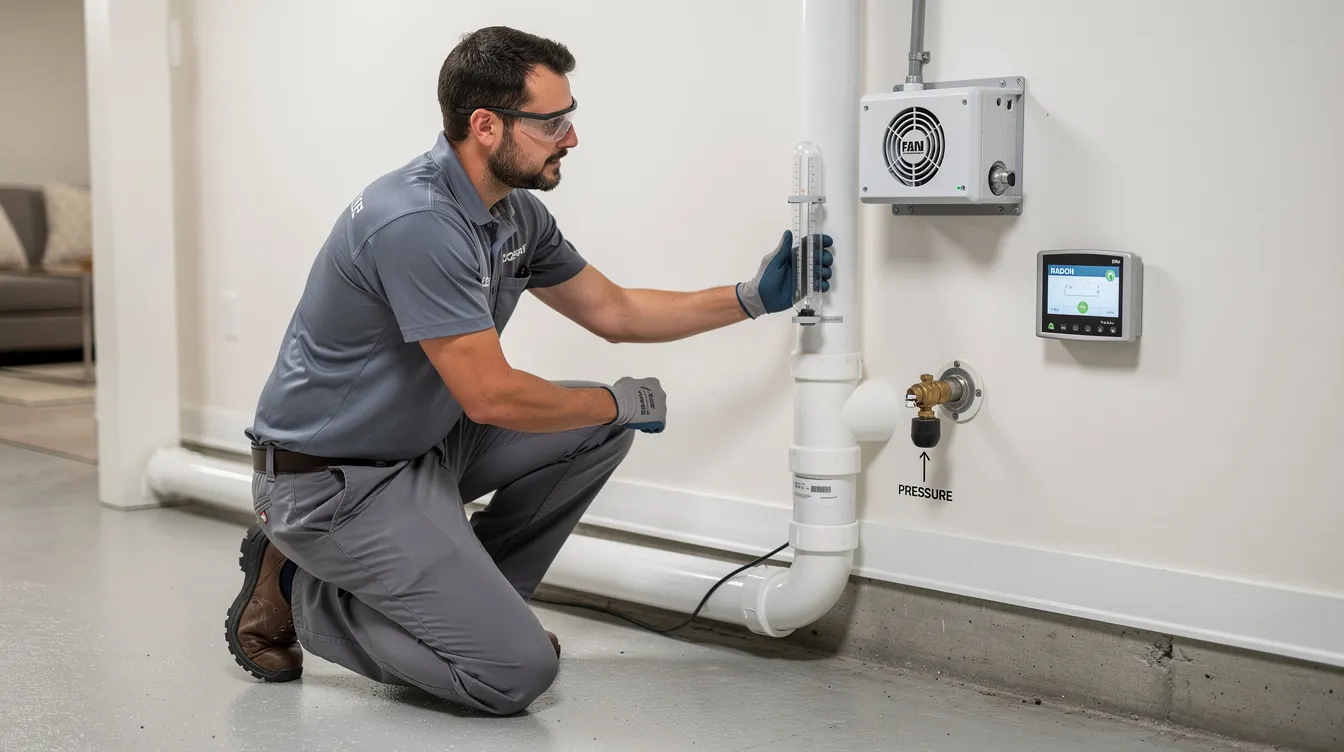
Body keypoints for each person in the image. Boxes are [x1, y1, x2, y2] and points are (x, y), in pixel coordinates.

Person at [223, 25, 833, 716]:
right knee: (512, 676)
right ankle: (307, 592)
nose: (570, 137)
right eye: (552, 122)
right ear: (486, 126)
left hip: (419, 449)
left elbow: (615, 309)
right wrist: (614, 401)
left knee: (593, 432)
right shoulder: (416, 221)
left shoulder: (513, 216)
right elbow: (490, 396)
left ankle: (474, 616)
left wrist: (751, 298)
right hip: (333, 482)